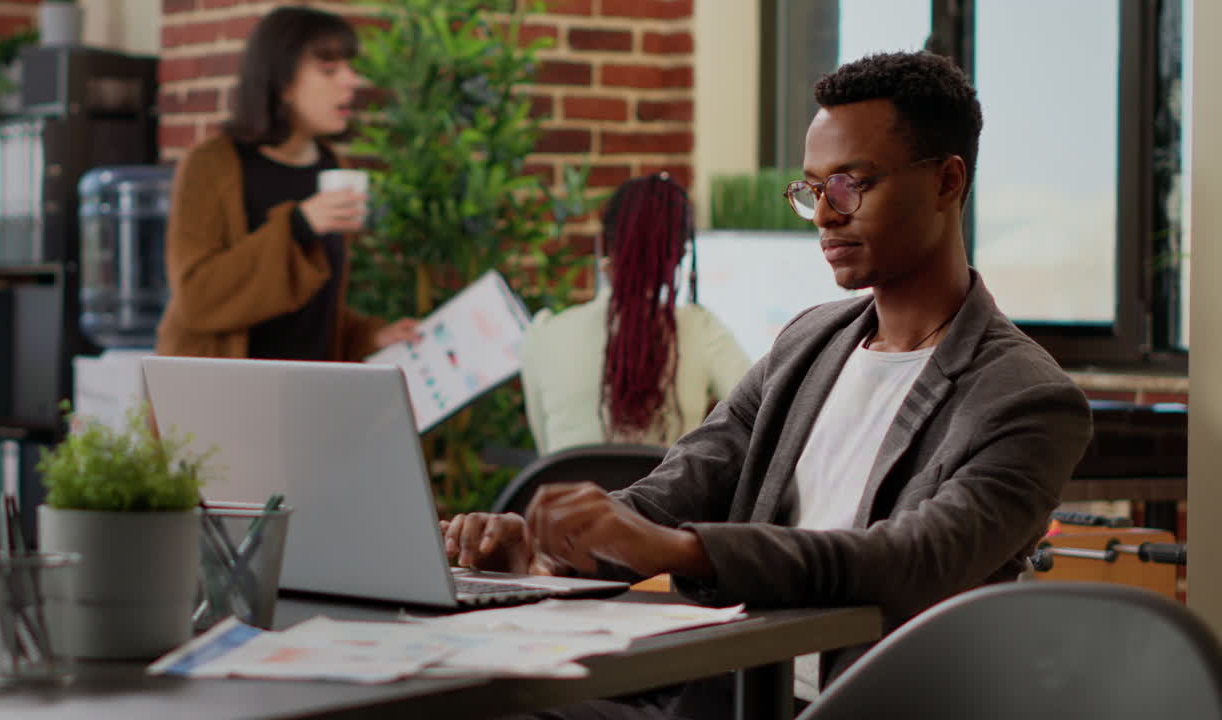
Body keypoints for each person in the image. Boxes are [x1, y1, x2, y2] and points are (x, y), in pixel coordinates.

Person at [444, 50, 1094, 718]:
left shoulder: (1029, 399)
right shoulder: (807, 343)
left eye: (851, 185)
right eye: (813, 190)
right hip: (731, 692)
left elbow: (910, 562)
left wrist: (683, 551)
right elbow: (679, 485)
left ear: (947, 183)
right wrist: (551, 550)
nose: (823, 216)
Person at [156, 6, 416, 361]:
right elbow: (197, 300)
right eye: (329, 70)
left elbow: (310, 306)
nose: (352, 81)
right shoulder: (212, 164)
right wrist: (298, 226)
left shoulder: (332, 166)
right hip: (222, 393)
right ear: (282, 84)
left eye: (350, 68)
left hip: (303, 396)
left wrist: (370, 337)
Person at [519, 173, 751, 454]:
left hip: (572, 498)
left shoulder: (545, 334)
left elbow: (548, 456)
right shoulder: (700, 330)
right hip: (670, 499)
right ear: (678, 255)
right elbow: (765, 415)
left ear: (603, 245)